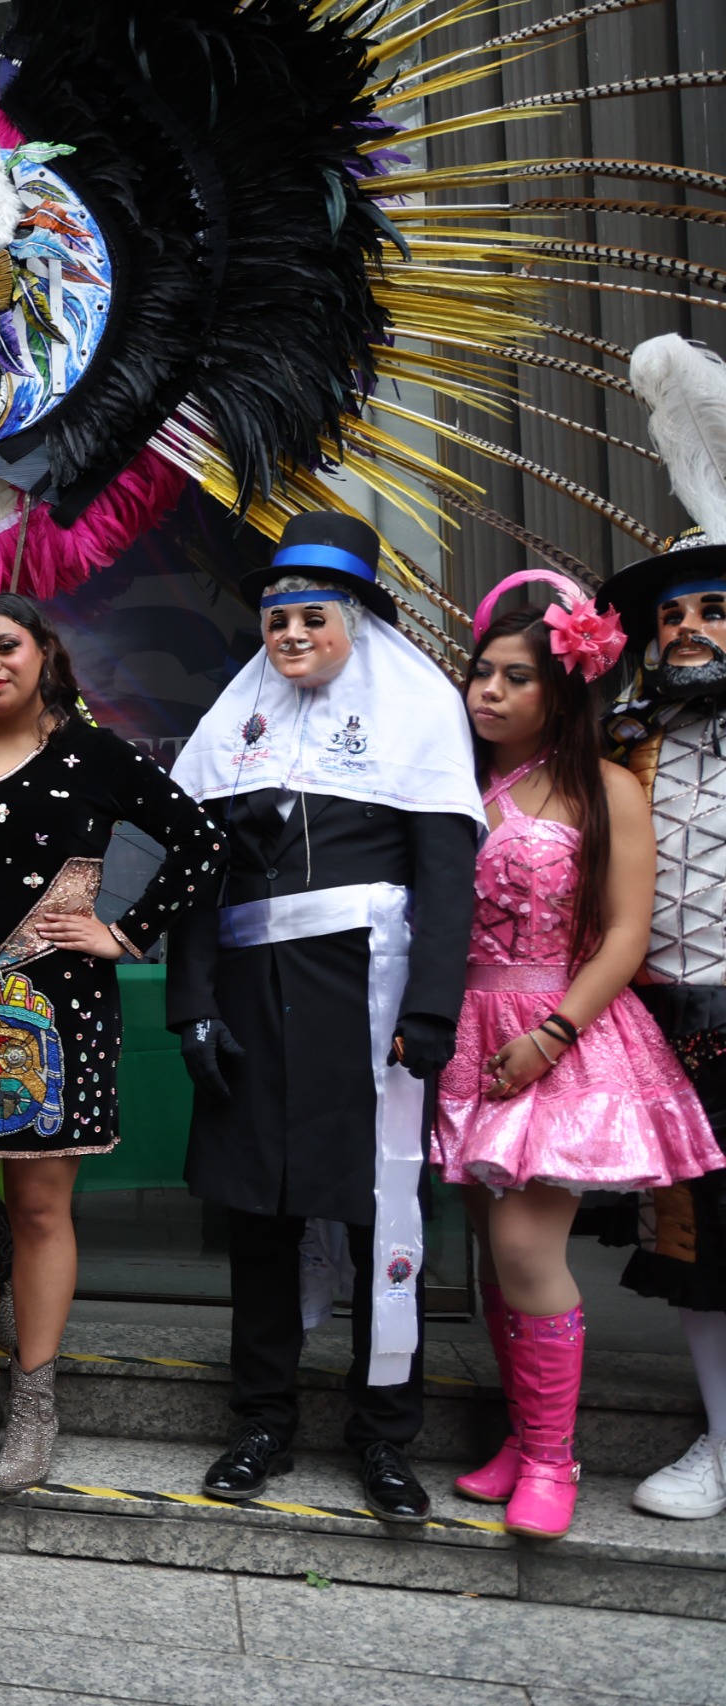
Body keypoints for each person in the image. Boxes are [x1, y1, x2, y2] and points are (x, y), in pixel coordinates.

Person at [168, 511, 485, 1523]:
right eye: (275, 621)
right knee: (258, 1220)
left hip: (371, 1001)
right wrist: (191, 1009)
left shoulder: (419, 713)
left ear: (357, 620)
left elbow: (447, 881)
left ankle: (384, 1436)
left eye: (311, 617)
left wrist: (431, 1009)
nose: (291, 636)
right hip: (254, 1006)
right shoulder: (237, 720)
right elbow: (194, 883)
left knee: (380, 1214)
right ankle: (259, 1420)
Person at [0, 598, 223, 1491]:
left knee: (37, 1213)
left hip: (63, 1014)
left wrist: (127, 932)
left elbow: (201, 844)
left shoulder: (94, 756)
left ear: (44, 654)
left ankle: (35, 1400)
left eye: (7, 646)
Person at [435, 571, 719, 1539]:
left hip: (559, 1028)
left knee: (525, 1247)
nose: (488, 691)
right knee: (489, 1247)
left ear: (561, 689)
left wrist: (552, 1032)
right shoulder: (455, 783)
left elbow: (627, 934)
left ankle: (555, 1458)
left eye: (514, 677)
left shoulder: (605, 787)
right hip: (463, 1031)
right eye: (480, 674)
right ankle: (521, 1437)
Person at [594, 337, 726, 1522]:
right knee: (699, 1252)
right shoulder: (627, 744)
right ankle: (720, 1443)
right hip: (675, 1023)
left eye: (710, 609)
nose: (686, 626)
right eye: (673, 612)